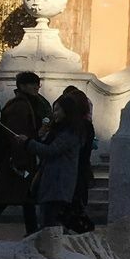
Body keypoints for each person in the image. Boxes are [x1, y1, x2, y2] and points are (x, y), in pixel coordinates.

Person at [0, 70, 51, 238]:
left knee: (23, 200)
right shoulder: (20, 106)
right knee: (11, 200)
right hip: (16, 160)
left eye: (37, 84)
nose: (36, 87)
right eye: (32, 84)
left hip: (18, 159)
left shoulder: (26, 103)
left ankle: (28, 232)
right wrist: (21, 157)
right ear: (23, 86)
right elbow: (16, 134)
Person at [29, 86, 95, 229]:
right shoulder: (61, 129)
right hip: (54, 180)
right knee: (49, 219)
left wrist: (29, 143)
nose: (54, 114)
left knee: (52, 222)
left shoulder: (72, 132)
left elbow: (52, 150)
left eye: (57, 110)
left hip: (60, 182)